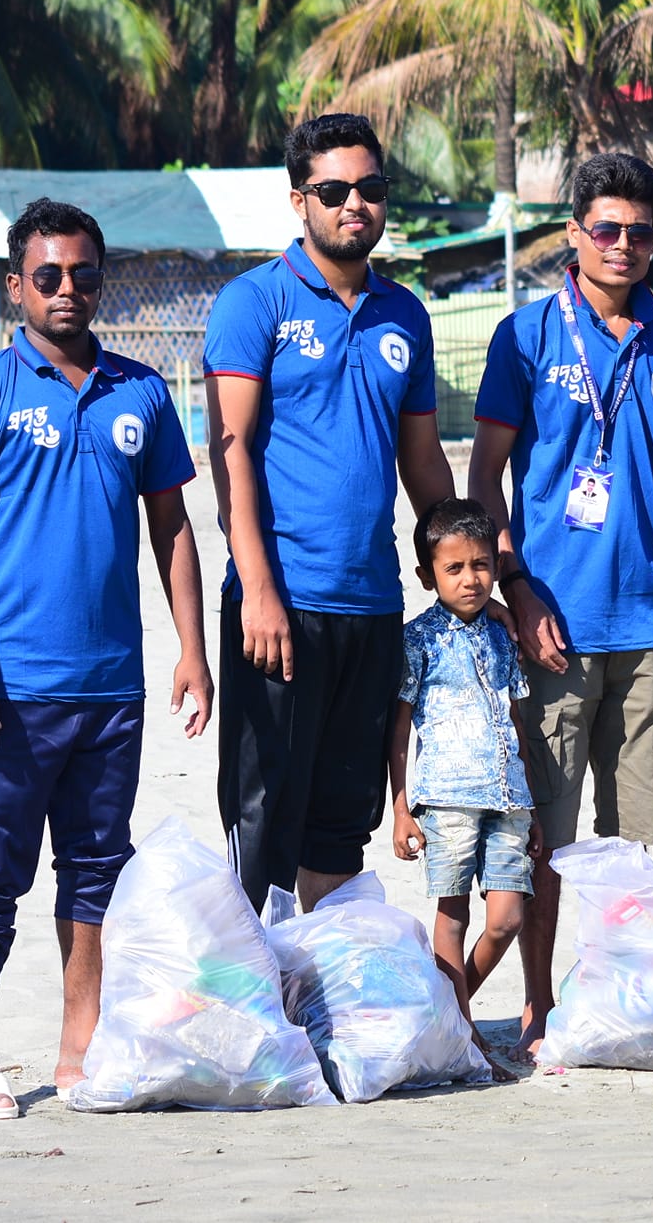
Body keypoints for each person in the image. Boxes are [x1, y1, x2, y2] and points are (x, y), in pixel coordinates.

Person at [0, 199, 211, 1119]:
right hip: (10, 688)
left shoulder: (142, 392)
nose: (66, 290)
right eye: (47, 276)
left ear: (101, 280)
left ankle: (78, 1045)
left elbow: (172, 529)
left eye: (83, 274)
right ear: (16, 286)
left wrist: (191, 653)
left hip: (111, 688)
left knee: (96, 869)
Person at [469, 151, 653, 1055]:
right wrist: (517, 587)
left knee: (636, 845)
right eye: (607, 230)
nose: (624, 246)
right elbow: (485, 474)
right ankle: (540, 1003)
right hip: (555, 627)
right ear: (573, 235)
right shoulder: (528, 335)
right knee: (546, 835)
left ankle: (615, 997)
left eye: (641, 232)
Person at [204, 113, 455, 915]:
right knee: (263, 819)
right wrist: (259, 589)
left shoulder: (405, 315)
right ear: (298, 200)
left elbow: (424, 466)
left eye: (371, 188)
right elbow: (229, 449)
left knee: (340, 826)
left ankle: (324, 1012)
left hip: (374, 605)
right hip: (279, 605)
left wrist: (471, 569)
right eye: (335, 189)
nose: (356, 204)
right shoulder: (255, 300)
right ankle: (255, 1017)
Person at [389, 499, 540, 1068]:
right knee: (452, 917)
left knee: (506, 919)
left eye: (480, 565)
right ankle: (465, 1035)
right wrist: (402, 809)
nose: (470, 579)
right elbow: (400, 727)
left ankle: (447, 1013)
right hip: (446, 799)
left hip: (508, 798)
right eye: (453, 568)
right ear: (428, 576)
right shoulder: (417, 639)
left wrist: (533, 809)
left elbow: (517, 721)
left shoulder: (504, 637)